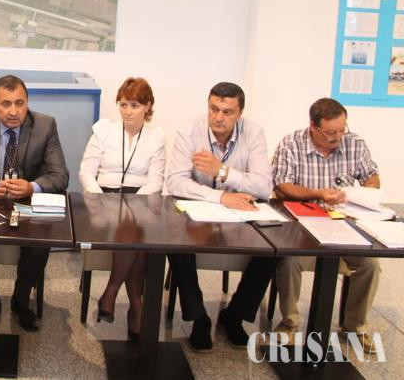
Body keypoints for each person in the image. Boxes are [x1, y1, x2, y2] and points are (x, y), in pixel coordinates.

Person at [165, 82, 276, 351]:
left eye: (227, 112)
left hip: (241, 213)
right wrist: (220, 196)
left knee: (275, 248)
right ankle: (198, 318)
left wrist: (224, 172)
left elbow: (264, 186)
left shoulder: (254, 133)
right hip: (199, 211)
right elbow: (176, 182)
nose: (218, 117)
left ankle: (234, 315)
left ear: (240, 113)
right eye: (214, 109)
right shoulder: (189, 131)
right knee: (175, 242)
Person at [0, 74, 69, 331]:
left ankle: (21, 300)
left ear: (27, 102)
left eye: (20, 103)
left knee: (39, 244)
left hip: (27, 201)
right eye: (6, 104)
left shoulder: (45, 125)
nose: (14, 111)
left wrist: (31, 186)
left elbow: (60, 175)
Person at [272, 97, 381, 349]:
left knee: (371, 265)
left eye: (342, 130)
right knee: (288, 262)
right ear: (313, 126)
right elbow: (282, 185)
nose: (338, 137)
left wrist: (366, 193)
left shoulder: (354, 143)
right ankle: (289, 322)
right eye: (331, 133)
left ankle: (354, 326)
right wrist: (319, 194)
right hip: (302, 228)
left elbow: (372, 176)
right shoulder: (291, 143)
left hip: (344, 226)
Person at [78, 77, 165, 340]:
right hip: (102, 201)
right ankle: (136, 307)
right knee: (135, 234)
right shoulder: (103, 131)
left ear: (148, 106)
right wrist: (100, 198)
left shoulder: (156, 138)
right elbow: (86, 171)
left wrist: (133, 205)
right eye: (123, 104)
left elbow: (156, 181)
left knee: (132, 227)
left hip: (140, 203)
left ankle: (111, 292)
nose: (127, 111)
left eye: (134, 105)